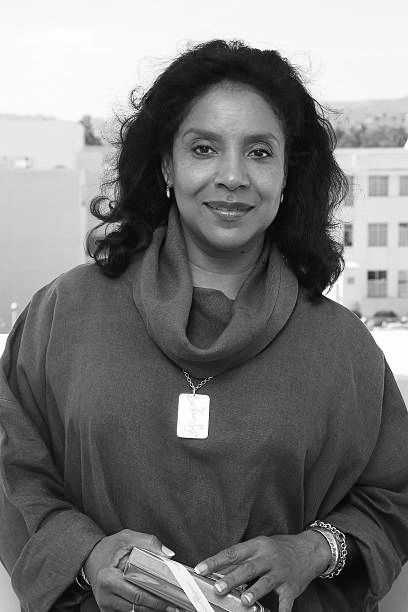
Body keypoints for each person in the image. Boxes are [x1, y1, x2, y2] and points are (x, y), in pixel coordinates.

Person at [0, 39, 407, 612]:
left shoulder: (341, 348)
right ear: (167, 163)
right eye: (204, 148)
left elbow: (393, 495)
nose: (233, 176)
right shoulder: (65, 313)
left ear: (290, 173)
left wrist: (313, 550)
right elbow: (12, 468)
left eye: (260, 152)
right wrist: (87, 555)